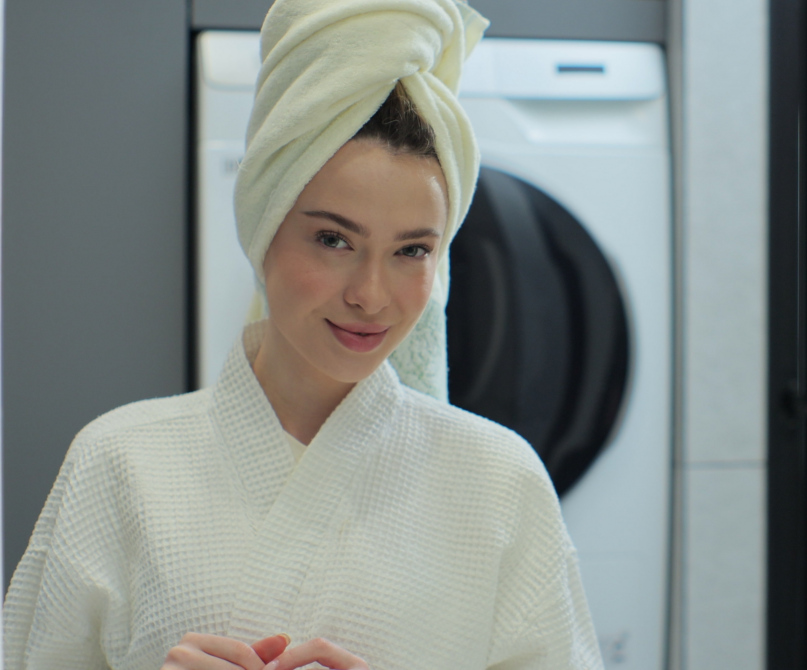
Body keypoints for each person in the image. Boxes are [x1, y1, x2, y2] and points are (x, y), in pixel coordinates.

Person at [1, 0, 603, 668]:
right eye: (333, 240)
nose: (370, 295)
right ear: (264, 225)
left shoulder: (499, 481)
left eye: (411, 251)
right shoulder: (119, 462)